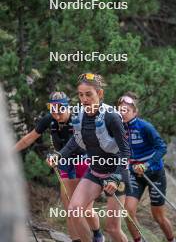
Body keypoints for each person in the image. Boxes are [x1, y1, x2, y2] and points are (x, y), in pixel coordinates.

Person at [50, 73, 131, 242]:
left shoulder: (111, 116)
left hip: (117, 174)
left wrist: (115, 177)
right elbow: (75, 141)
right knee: (74, 210)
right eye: (80, 95)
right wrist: (59, 155)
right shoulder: (80, 115)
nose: (84, 99)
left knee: (113, 229)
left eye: (89, 94)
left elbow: (125, 151)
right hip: (94, 172)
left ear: (99, 94)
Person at [15, 91, 103, 242]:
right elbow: (28, 139)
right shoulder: (49, 119)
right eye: (52, 109)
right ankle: (76, 239)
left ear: (67, 106)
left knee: (86, 209)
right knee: (70, 207)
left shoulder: (78, 117)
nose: (56, 114)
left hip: (83, 161)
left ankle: (97, 234)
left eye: (60, 109)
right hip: (64, 162)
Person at [117, 91, 176, 242]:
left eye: (126, 110)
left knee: (158, 217)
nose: (122, 113)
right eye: (120, 110)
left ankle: (171, 239)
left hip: (154, 173)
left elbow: (161, 147)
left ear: (135, 112)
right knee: (128, 212)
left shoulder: (145, 127)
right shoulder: (118, 128)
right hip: (134, 175)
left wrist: (146, 165)